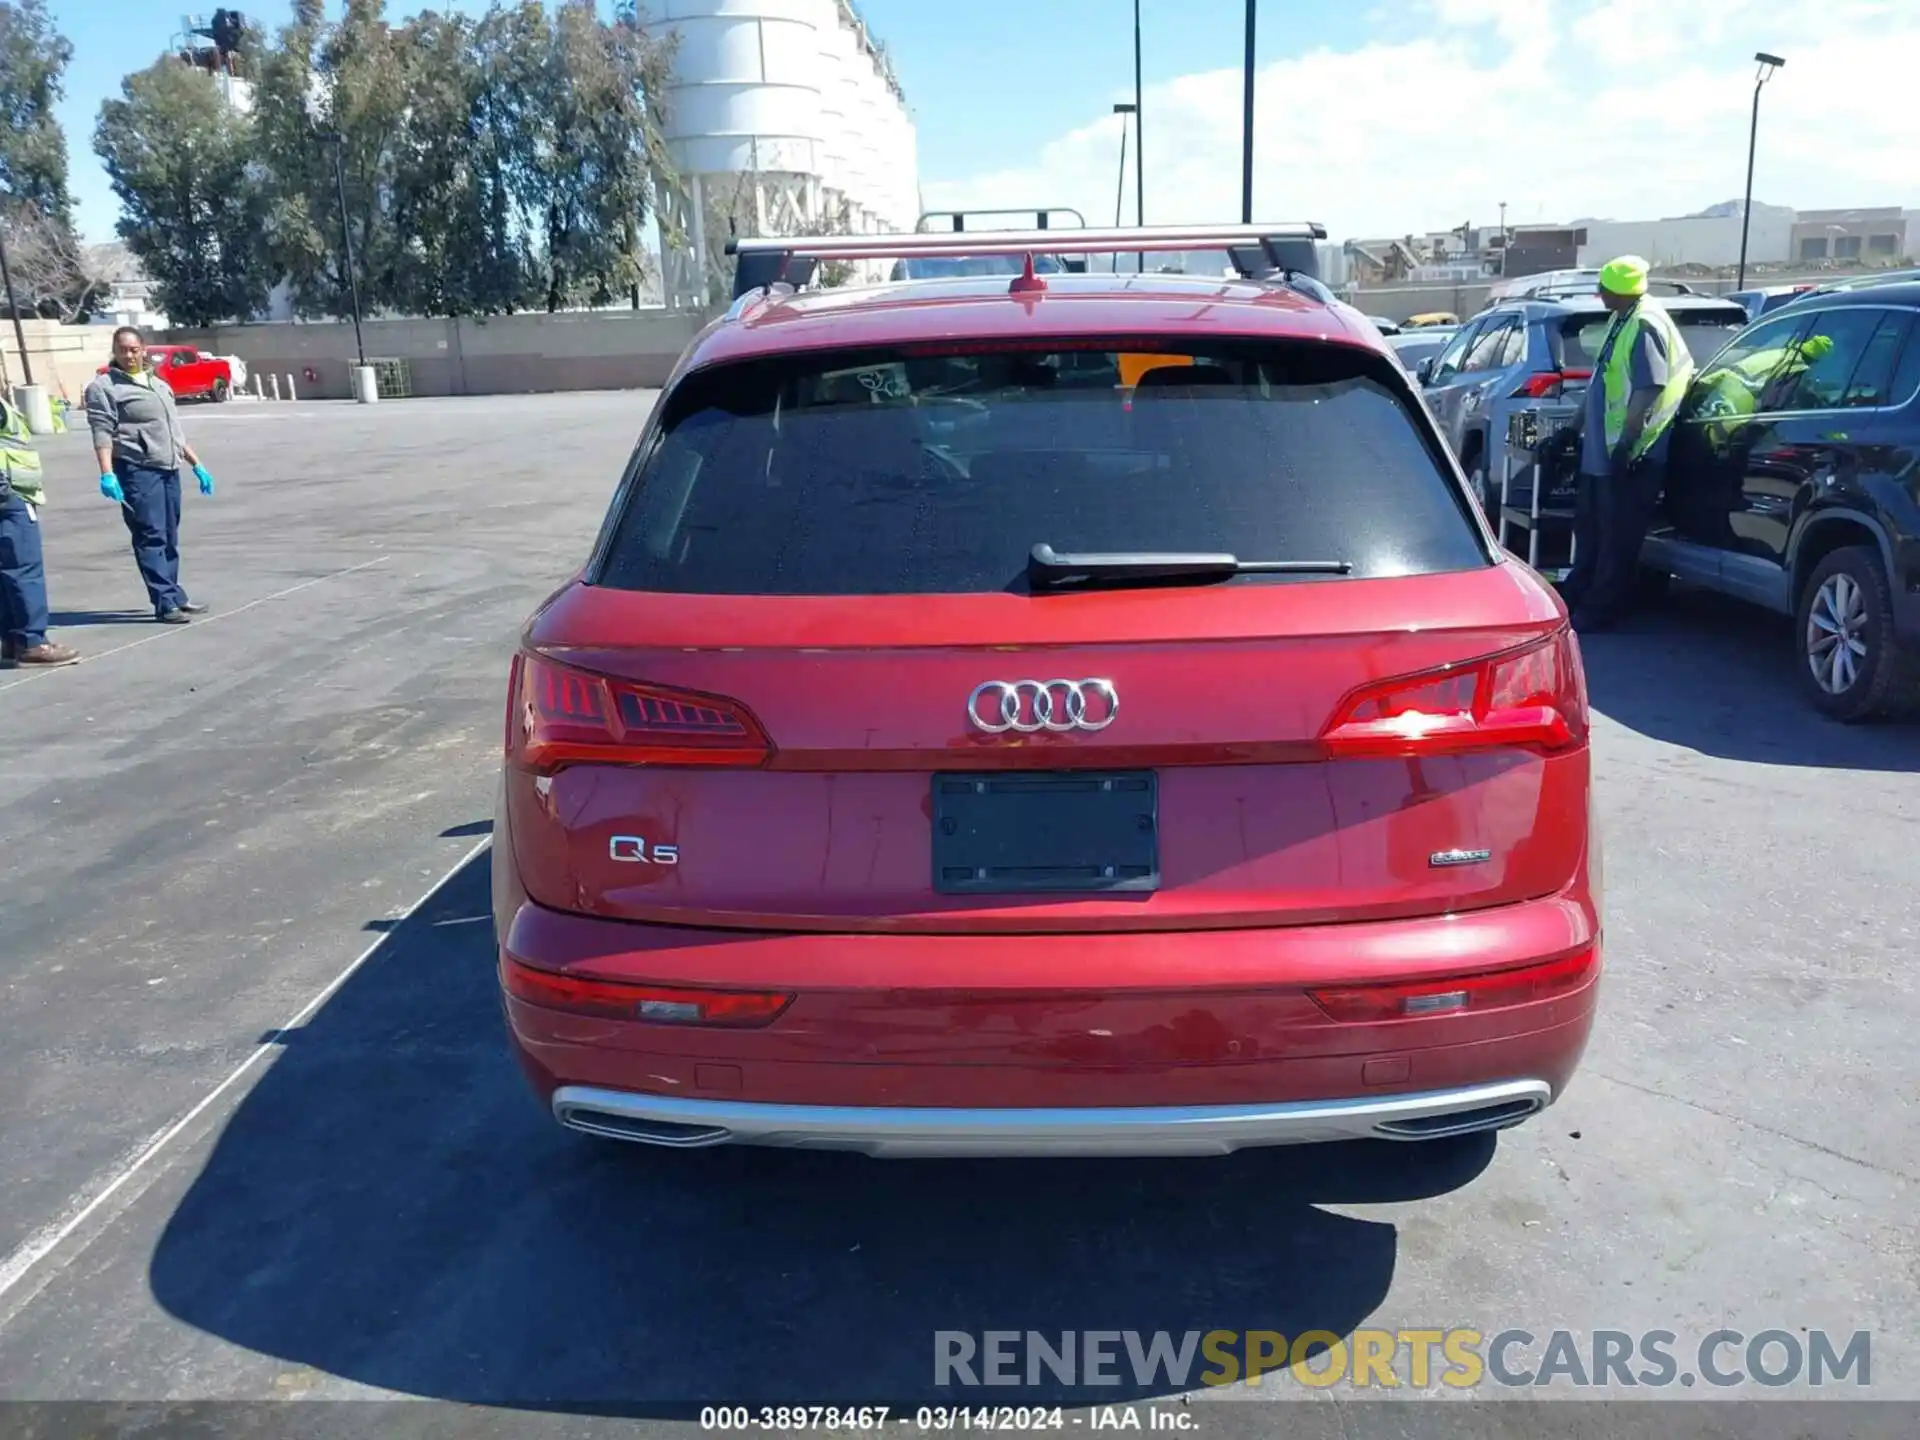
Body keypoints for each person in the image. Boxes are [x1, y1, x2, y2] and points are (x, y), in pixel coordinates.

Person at [1559, 255, 1696, 632]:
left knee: (1616, 535)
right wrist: (1572, 429)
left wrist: (1628, 443)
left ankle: (1602, 608)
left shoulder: (1645, 323)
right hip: (1602, 452)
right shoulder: (1622, 319)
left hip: (1632, 453)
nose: (1598, 293)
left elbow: (1649, 388)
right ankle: (1577, 594)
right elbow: (1602, 381)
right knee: (1591, 527)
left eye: (1603, 287)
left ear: (1618, 290)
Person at [83, 326, 219, 625]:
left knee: (169, 533)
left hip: (169, 467)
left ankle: (174, 593)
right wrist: (107, 473)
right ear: (115, 351)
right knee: (150, 535)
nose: (129, 355)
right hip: (137, 470)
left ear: (143, 349)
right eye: (123, 350)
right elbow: (102, 432)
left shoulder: (157, 382)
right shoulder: (104, 387)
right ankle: (163, 601)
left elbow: (174, 431)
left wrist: (197, 465)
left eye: (134, 349)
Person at [0, 393, 80, 668]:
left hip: (9, 495)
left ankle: (12, 640)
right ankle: (33, 643)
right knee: (24, 569)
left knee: (7, 572)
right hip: (10, 497)